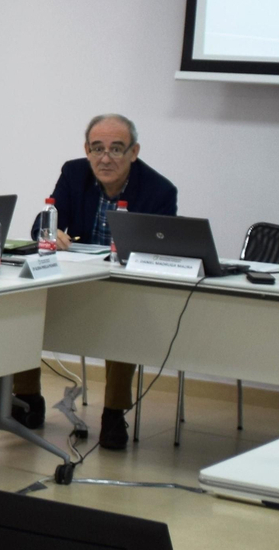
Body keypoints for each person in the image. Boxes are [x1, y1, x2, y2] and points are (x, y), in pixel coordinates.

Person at [25, 113, 177, 450]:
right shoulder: (74, 172)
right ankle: (26, 400)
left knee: (124, 322)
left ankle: (113, 413)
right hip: (72, 277)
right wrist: (51, 232)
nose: (105, 158)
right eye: (97, 148)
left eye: (116, 149)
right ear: (86, 149)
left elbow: (162, 249)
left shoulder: (160, 190)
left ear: (134, 152)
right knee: (23, 304)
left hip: (125, 286)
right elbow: (43, 221)